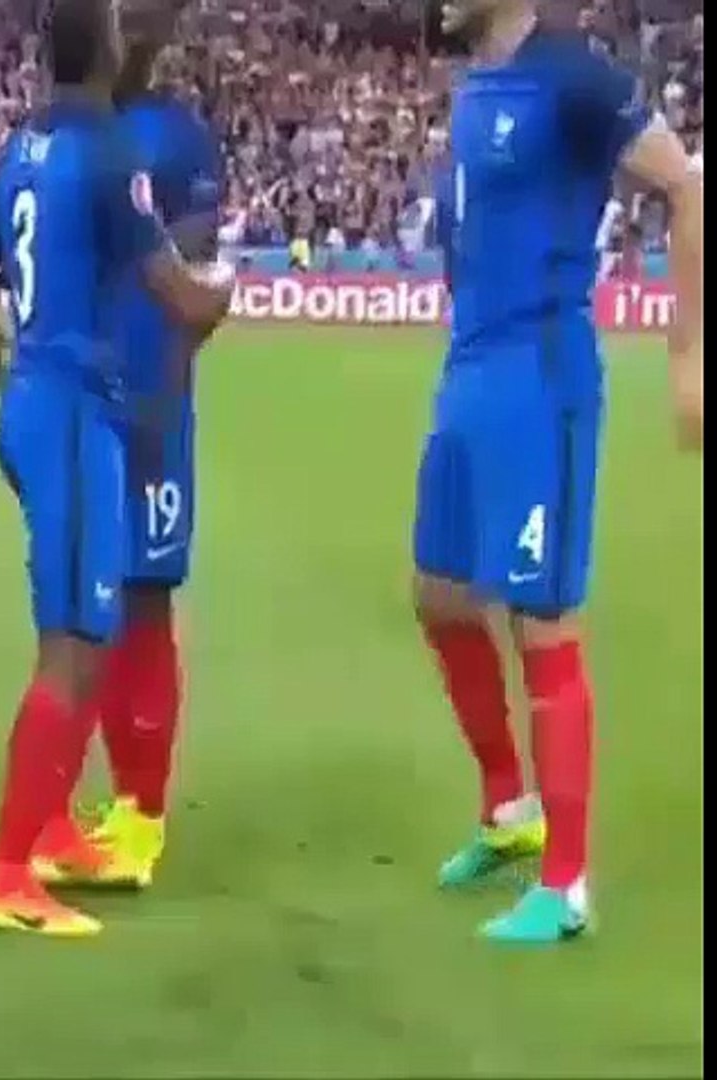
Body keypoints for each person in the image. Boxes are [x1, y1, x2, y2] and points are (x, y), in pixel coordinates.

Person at [0, 0, 233, 938]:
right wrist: (223, 288)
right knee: (73, 646)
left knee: (84, 634)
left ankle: (51, 831)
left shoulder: (18, 150)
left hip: (34, 404)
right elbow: (183, 301)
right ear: (105, 47)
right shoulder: (111, 155)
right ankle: (6, 876)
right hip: (76, 414)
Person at [417, 0, 702, 945]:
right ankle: (510, 809)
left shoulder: (574, 76)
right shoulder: (477, 84)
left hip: (540, 374)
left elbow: (685, 186)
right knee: (439, 596)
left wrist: (689, 355)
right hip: (468, 368)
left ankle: (566, 886)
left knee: (542, 617)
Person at [34, 0, 226, 892]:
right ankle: (57, 813)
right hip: (76, 404)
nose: (141, 24)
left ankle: (139, 815)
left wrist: (164, 396)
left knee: (142, 599)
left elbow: (187, 282)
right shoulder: (63, 135)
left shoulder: (177, 140)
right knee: (78, 608)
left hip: (144, 405)